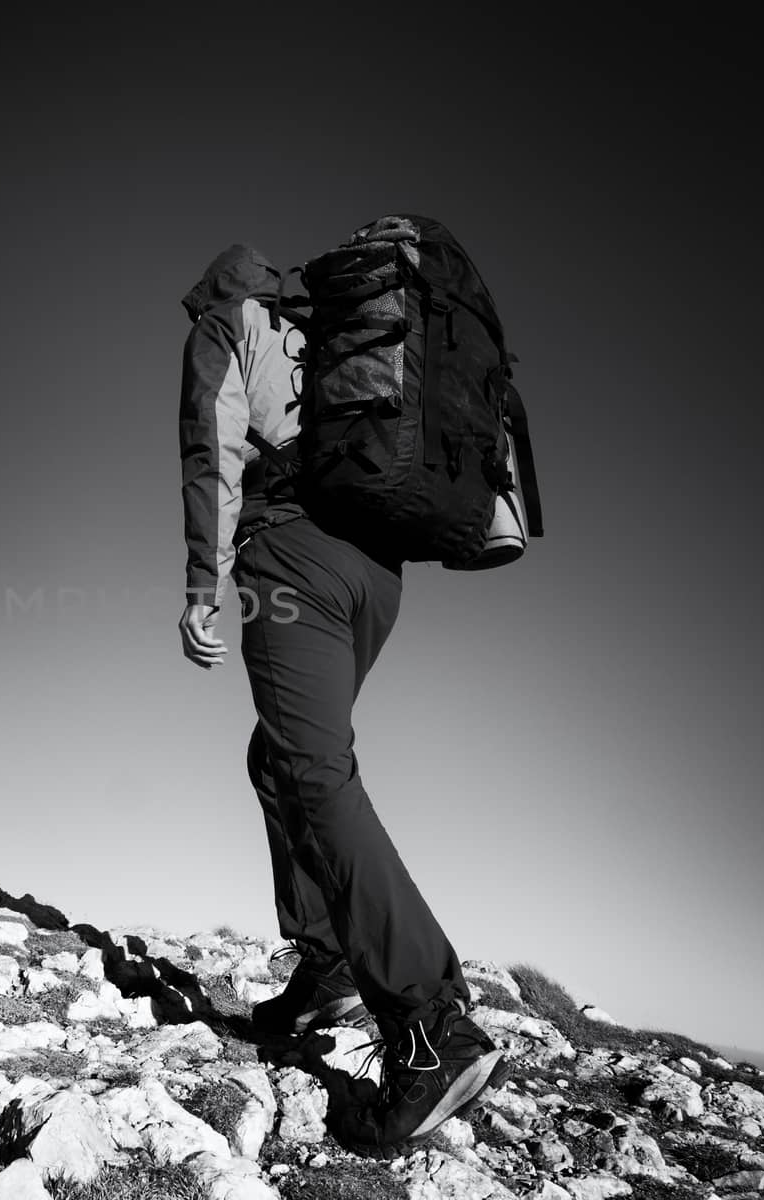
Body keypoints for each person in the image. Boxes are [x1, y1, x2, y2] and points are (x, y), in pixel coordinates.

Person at [176, 243, 504, 1151]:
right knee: (278, 757)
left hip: (291, 559)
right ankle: (326, 961)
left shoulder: (225, 324)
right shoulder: (329, 335)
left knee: (313, 769)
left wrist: (205, 587)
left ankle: (429, 1024)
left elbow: (211, 452)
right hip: (377, 573)